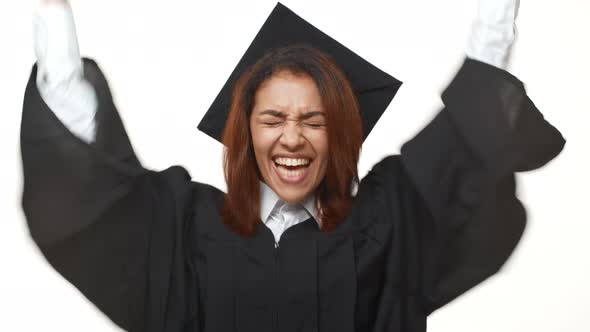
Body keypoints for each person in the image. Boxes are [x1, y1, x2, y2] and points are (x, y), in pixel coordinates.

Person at [21, 1, 565, 332]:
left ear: (340, 135)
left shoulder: (385, 224)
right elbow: (94, 185)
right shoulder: (188, 229)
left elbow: (464, 141)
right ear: (245, 131)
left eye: (314, 120)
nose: (292, 137)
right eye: (273, 117)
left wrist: (494, 18)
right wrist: (53, 13)